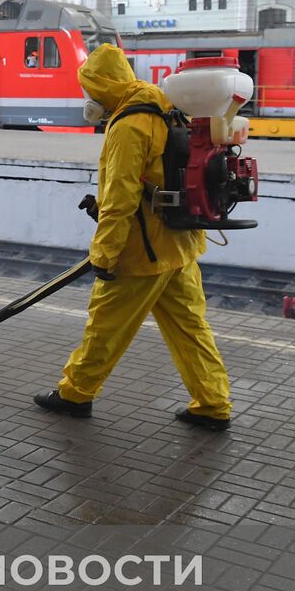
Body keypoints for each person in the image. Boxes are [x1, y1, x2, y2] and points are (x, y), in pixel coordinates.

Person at [33, 44, 233, 432]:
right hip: (180, 245)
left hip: (142, 251)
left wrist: (105, 254)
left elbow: (120, 198)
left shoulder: (128, 125)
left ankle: (75, 394)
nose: (90, 98)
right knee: (191, 329)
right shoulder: (165, 107)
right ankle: (213, 402)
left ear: (103, 86)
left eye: (91, 89)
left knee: (105, 326)